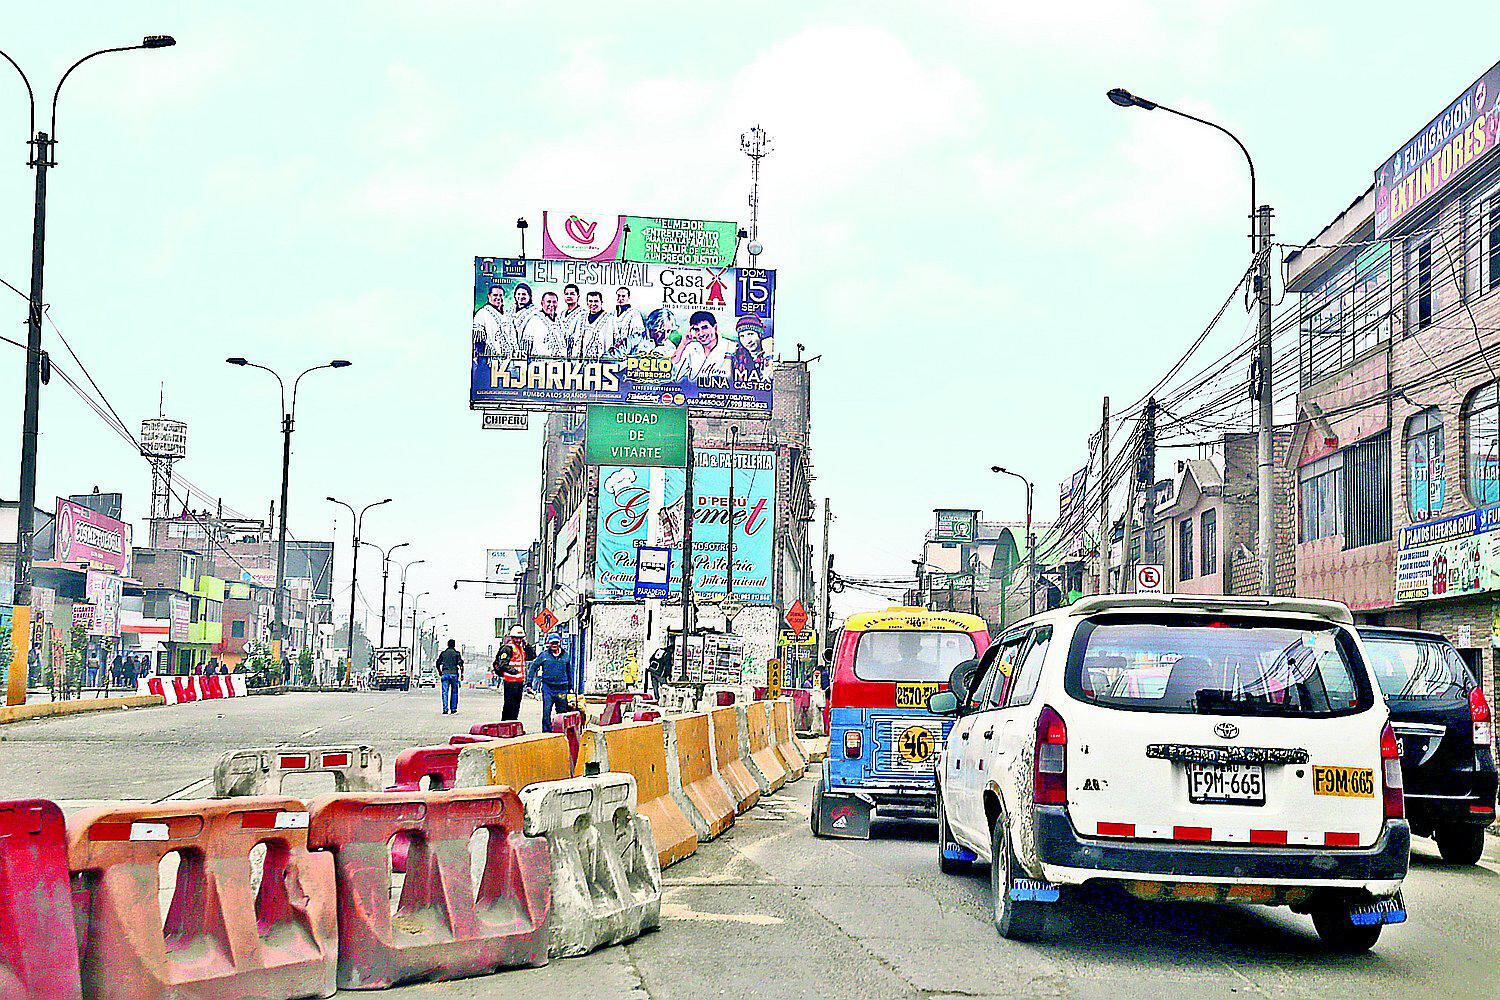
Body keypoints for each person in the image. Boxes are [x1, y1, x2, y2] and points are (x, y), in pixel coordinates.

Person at [529, 635, 574, 732]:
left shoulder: (565, 656)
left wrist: (571, 687)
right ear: (549, 644)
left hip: (562, 688)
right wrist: (529, 683)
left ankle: (562, 732)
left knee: (562, 712)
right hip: (548, 688)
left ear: (559, 643)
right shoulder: (544, 656)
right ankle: (546, 733)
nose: (554, 645)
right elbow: (533, 667)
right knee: (546, 711)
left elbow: (569, 672)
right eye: (552, 643)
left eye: (556, 643)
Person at [671, 311, 732, 381]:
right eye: (696, 330)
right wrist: (683, 343)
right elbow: (674, 373)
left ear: (715, 328)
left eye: (704, 328)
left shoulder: (730, 347)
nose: (701, 333)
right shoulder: (691, 348)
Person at [497, 626, 534, 722]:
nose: (518, 640)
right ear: (512, 638)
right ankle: (505, 725)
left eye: (520, 638)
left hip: (519, 682)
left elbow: (532, 656)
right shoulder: (507, 648)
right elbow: (502, 664)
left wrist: (527, 645)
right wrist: (514, 671)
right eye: (516, 638)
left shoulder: (521, 649)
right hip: (510, 682)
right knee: (509, 705)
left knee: (516, 706)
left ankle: (513, 724)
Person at [578, 290, 615, 358]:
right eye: (590, 301)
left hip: (600, 359)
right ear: (587, 303)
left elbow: (609, 343)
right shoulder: (582, 317)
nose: (593, 304)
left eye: (596, 301)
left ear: (601, 302)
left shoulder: (609, 318)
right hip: (583, 359)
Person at [613, 286, 645, 356]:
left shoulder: (634, 313)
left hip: (627, 351)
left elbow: (637, 335)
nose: (620, 298)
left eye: (623, 296)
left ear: (628, 298)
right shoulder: (612, 314)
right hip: (613, 351)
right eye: (618, 296)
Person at [436, 639, 464, 715]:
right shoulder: (457, 654)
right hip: (454, 674)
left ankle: (445, 709)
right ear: (454, 645)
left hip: (445, 674)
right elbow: (461, 664)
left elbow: (437, 663)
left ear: (447, 645)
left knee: (445, 692)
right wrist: (462, 674)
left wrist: (440, 671)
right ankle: (453, 709)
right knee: (454, 692)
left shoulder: (443, 654)